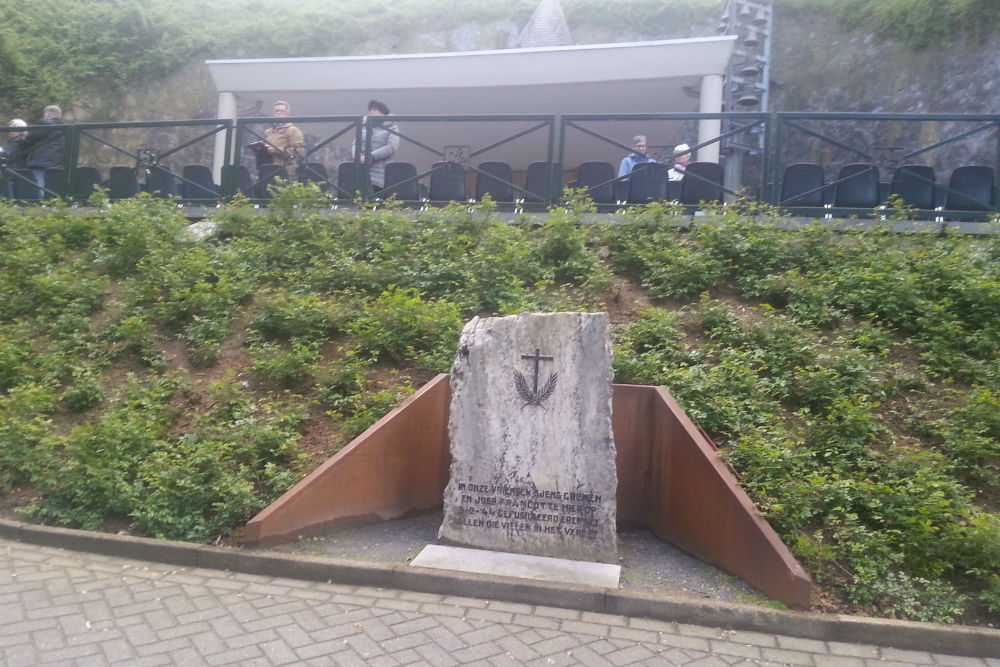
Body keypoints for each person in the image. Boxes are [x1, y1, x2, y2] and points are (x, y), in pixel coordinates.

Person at [18, 105, 65, 197]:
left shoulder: (46, 124)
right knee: (52, 187)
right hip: (58, 162)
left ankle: (40, 207)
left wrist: (21, 139)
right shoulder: (65, 128)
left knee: (39, 186)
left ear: (48, 114)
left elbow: (30, 139)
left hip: (42, 161)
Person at [353, 99, 399, 191]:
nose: (371, 112)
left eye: (374, 109)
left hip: (380, 174)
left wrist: (371, 156)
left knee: (376, 200)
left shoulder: (393, 127)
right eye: (370, 110)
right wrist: (358, 157)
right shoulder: (362, 127)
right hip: (360, 172)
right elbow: (355, 144)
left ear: (383, 112)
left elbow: (391, 147)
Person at [263, 100, 305, 177]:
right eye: (276, 111)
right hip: (268, 170)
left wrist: (276, 150)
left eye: (281, 111)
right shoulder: (268, 132)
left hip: (285, 171)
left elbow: (298, 150)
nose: (278, 113)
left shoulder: (293, 130)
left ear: (287, 114)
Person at [3, 119, 28, 197]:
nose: (9, 130)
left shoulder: (21, 140)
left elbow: (10, 154)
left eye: (12, 128)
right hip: (10, 170)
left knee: (13, 192)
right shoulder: (11, 140)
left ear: (21, 130)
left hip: (17, 170)